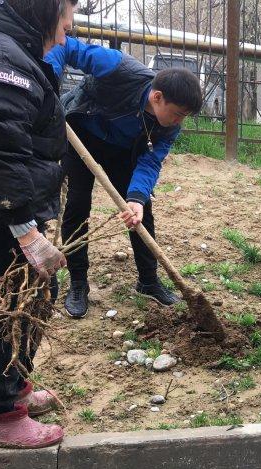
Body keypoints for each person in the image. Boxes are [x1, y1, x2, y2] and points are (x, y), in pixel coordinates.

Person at [0, 0, 78, 448]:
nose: (62, 38)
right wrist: (24, 228)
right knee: (9, 303)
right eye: (63, 24)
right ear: (44, 11)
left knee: (32, 294)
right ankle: (0, 418)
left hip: (1, 208)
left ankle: (13, 391)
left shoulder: (1, 46)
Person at [44, 38, 203, 318]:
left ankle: (148, 280)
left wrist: (137, 198)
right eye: (177, 113)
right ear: (157, 97)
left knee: (141, 211)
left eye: (185, 117)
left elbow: (151, 161)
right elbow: (66, 46)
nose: (179, 121)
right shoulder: (119, 67)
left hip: (122, 151)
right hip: (80, 134)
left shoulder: (168, 127)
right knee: (77, 205)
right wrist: (49, 81)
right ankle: (79, 282)